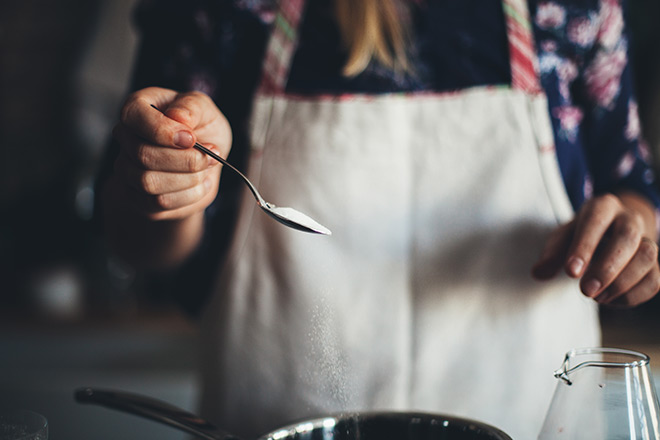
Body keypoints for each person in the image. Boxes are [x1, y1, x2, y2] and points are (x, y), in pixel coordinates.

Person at [96, 0, 660, 438]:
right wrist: (171, 184)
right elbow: (137, 245)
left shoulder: (573, 9)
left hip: (531, 420)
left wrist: (631, 230)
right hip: (266, 422)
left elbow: (631, 188)